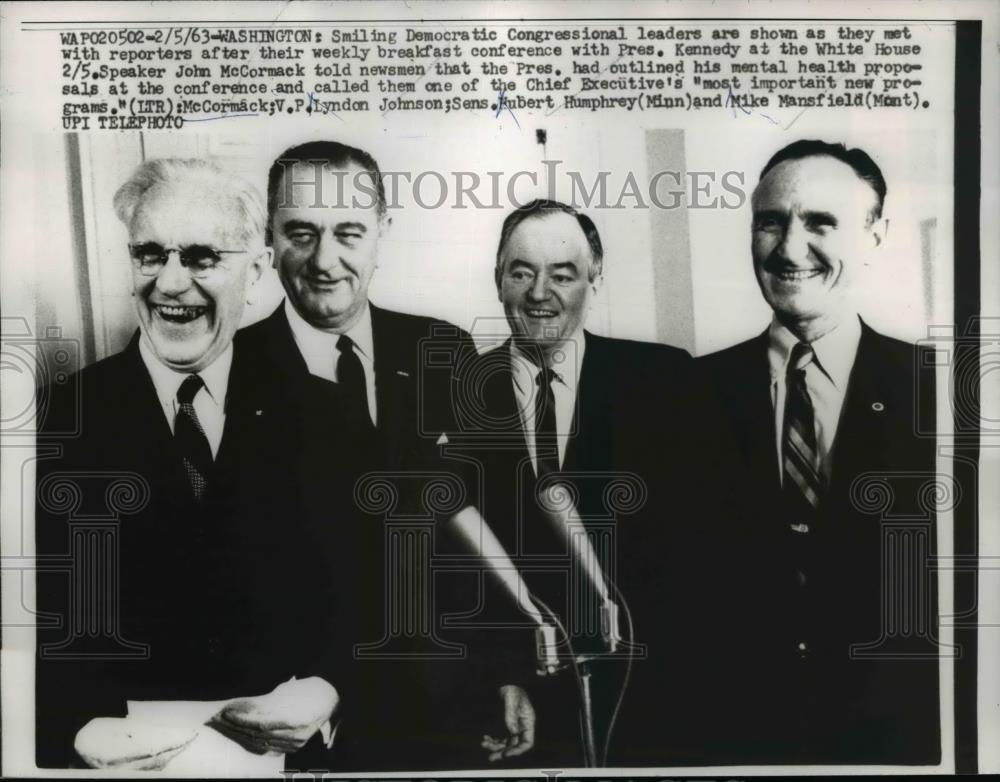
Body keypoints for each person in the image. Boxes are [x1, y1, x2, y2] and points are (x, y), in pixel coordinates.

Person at [35, 158, 342, 770]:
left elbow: (364, 587)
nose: (170, 284)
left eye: (201, 257)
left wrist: (331, 689)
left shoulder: (320, 412)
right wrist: (75, 734)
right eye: (150, 255)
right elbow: (38, 613)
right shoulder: (66, 415)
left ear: (256, 270)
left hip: (291, 761)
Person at [240, 140, 508, 770]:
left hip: (448, 712)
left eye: (349, 232)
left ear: (383, 231)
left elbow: (487, 526)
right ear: (269, 238)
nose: (324, 260)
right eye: (300, 233)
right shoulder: (227, 372)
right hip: (300, 724)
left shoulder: (442, 349)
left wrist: (505, 676)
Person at [455, 199, 734, 766]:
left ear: (594, 280)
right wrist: (503, 677)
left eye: (563, 274)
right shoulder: (454, 393)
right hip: (526, 703)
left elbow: (709, 547)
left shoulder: (666, 379)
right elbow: (451, 568)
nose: (540, 293)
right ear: (498, 281)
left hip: (656, 696)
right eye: (521, 272)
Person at [697, 139, 940, 764]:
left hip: (901, 739)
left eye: (821, 223)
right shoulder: (686, 393)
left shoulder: (938, 392)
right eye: (770, 222)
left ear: (874, 236)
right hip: (734, 736)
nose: (788, 248)